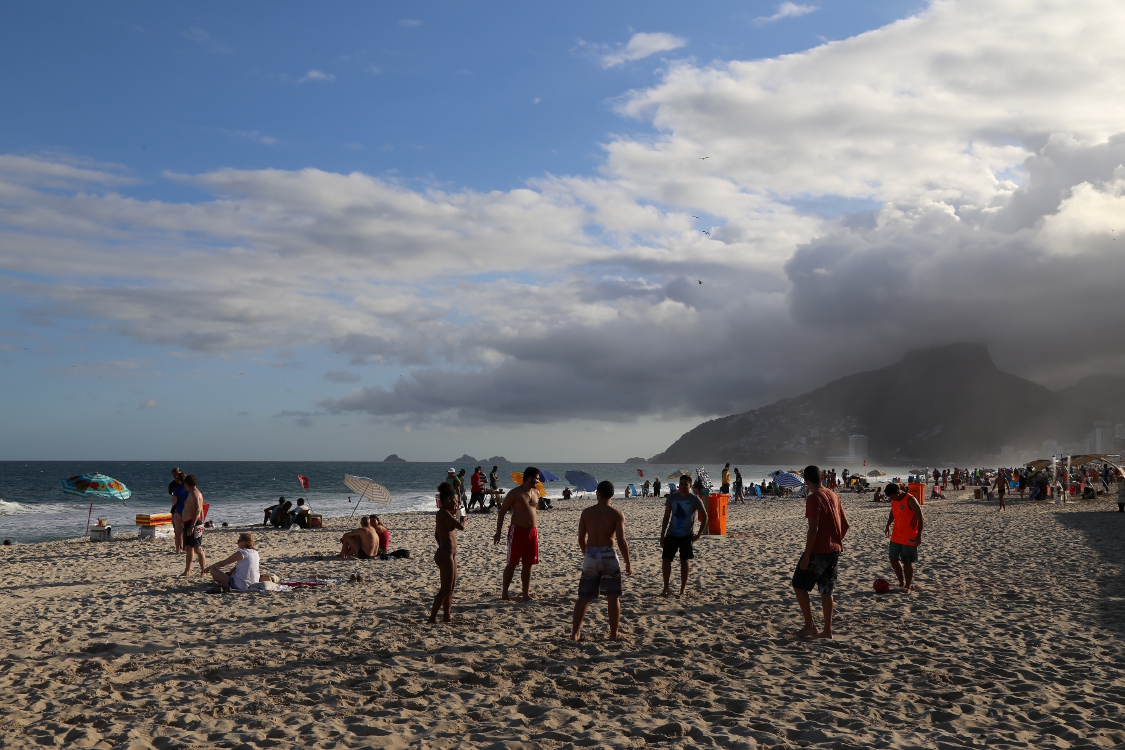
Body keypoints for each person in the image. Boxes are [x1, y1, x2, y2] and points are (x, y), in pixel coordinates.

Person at [791, 465, 849, 639]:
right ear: (822, 478)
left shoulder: (813, 498)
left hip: (819, 550)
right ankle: (827, 631)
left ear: (806, 481)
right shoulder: (833, 495)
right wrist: (835, 540)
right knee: (826, 590)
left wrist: (807, 556)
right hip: (834, 549)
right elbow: (845, 525)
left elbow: (813, 530)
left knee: (798, 585)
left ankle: (810, 626)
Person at [571, 481, 633, 641]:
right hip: (608, 554)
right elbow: (621, 541)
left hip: (591, 553)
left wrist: (587, 554)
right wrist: (627, 562)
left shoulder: (586, 513)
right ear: (612, 494)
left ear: (597, 493)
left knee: (584, 597)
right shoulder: (616, 514)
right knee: (613, 597)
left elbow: (580, 539)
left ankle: (575, 633)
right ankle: (614, 633)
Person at [494, 466, 542, 601]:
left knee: (528, 564)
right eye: (537, 478)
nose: (538, 481)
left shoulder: (536, 493)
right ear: (530, 477)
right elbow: (502, 512)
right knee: (512, 563)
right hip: (517, 532)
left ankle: (525, 593)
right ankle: (505, 593)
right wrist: (498, 532)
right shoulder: (514, 493)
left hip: (532, 532)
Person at [660, 475, 708, 597]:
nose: (682, 486)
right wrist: (662, 535)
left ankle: (683, 589)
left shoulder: (695, 500)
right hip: (671, 534)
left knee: (684, 560)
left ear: (690, 486)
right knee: (666, 559)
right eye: (681, 484)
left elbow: (705, 517)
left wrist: (698, 534)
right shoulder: (672, 498)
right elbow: (666, 517)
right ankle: (666, 587)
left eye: (685, 484)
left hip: (686, 535)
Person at [430, 482, 467, 623]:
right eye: (456, 501)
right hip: (445, 554)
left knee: (451, 587)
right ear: (448, 500)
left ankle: (447, 615)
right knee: (445, 589)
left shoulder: (444, 515)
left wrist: (444, 546)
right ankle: (432, 617)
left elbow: (436, 534)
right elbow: (461, 527)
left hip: (449, 553)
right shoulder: (443, 513)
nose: (457, 504)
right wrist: (463, 518)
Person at [884, 483, 923, 592]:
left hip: (909, 535)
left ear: (898, 492)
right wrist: (888, 524)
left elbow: (920, 518)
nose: (892, 499)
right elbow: (893, 511)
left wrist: (919, 535)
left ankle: (908, 585)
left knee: (907, 561)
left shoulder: (910, 500)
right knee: (893, 558)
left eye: (892, 497)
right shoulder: (894, 500)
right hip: (896, 534)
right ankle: (901, 582)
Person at [204, 533, 273, 590]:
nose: (237, 542)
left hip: (240, 585)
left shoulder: (242, 553)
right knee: (234, 571)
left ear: (244, 542)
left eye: (239, 541)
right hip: (254, 582)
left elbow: (223, 563)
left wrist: (209, 567)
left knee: (213, 570)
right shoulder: (255, 552)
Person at [180, 475, 208, 576]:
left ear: (187, 484)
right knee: (188, 548)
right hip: (189, 523)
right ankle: (187, 571)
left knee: (197, 548)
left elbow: (198, 510)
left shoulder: (195, 494)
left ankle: (203, 570)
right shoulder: (191, 493)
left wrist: (193, 525)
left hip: (194, 523)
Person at [169, 468, 188, 553]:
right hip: (187, 511)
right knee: (183, 532)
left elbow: (174, 501)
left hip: (179, 510)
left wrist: (174, 499)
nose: (175, 476)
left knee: (179, 532)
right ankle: (183, 548)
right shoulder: (189, 488)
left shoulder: (176, 489)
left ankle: (178, 550)